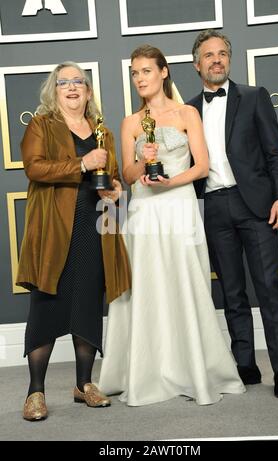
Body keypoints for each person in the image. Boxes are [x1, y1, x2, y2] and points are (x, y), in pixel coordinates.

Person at [98, 45, 245, 406]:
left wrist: (171, 182)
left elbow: (201, 166)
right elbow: (129, 176)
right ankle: (148, 370)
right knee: (149, 286)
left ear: (163, 72)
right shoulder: (132, 122)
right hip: (145, 212)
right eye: (134, 73)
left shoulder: (187, 113)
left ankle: (193, 366)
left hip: (179, 205)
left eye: (146, 71)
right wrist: (141, 160)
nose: (139, 79)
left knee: (185, 282)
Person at [17, 61, 131, 421]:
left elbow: (112, 178)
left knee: (86, 303)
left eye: (78, 82)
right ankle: (35, 391)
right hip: (54, 229)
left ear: (88, 90)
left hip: (95, 229)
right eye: (63, 82)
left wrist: (115, 192)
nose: (71, 87)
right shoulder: (41, 125)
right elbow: (34, 168)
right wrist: (82, 164)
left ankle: (85, 384)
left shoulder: (102, 131)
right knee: (47, 307)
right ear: (54, 91)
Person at [187, 29, 278, 398]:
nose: (216, 59)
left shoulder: (254, 97)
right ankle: (245, 366)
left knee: (268, 289)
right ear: (196, 63)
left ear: (228, 60)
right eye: (209, 55)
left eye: (222, 53)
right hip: (214, 207)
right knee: (232, 294)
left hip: (257, 207)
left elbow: (275, 153)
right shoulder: (187, 110)